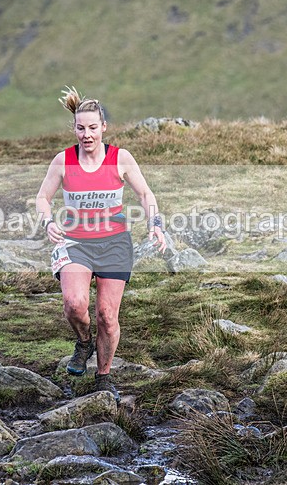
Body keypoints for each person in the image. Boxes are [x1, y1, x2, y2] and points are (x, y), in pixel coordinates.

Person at [35, 87, 167, 402]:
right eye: (81, 128)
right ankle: (83, 342)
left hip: (114, 244)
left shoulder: (120, 158)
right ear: (74, 128)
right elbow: (42, 198)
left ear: (103, 127)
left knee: (107, 315)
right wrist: (49, 222)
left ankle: (103, 377)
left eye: (93, 128)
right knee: (74, 304)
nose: (87, 134)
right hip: (76, 242)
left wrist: (156, 224)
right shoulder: (63, 160)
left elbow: (146, 194)